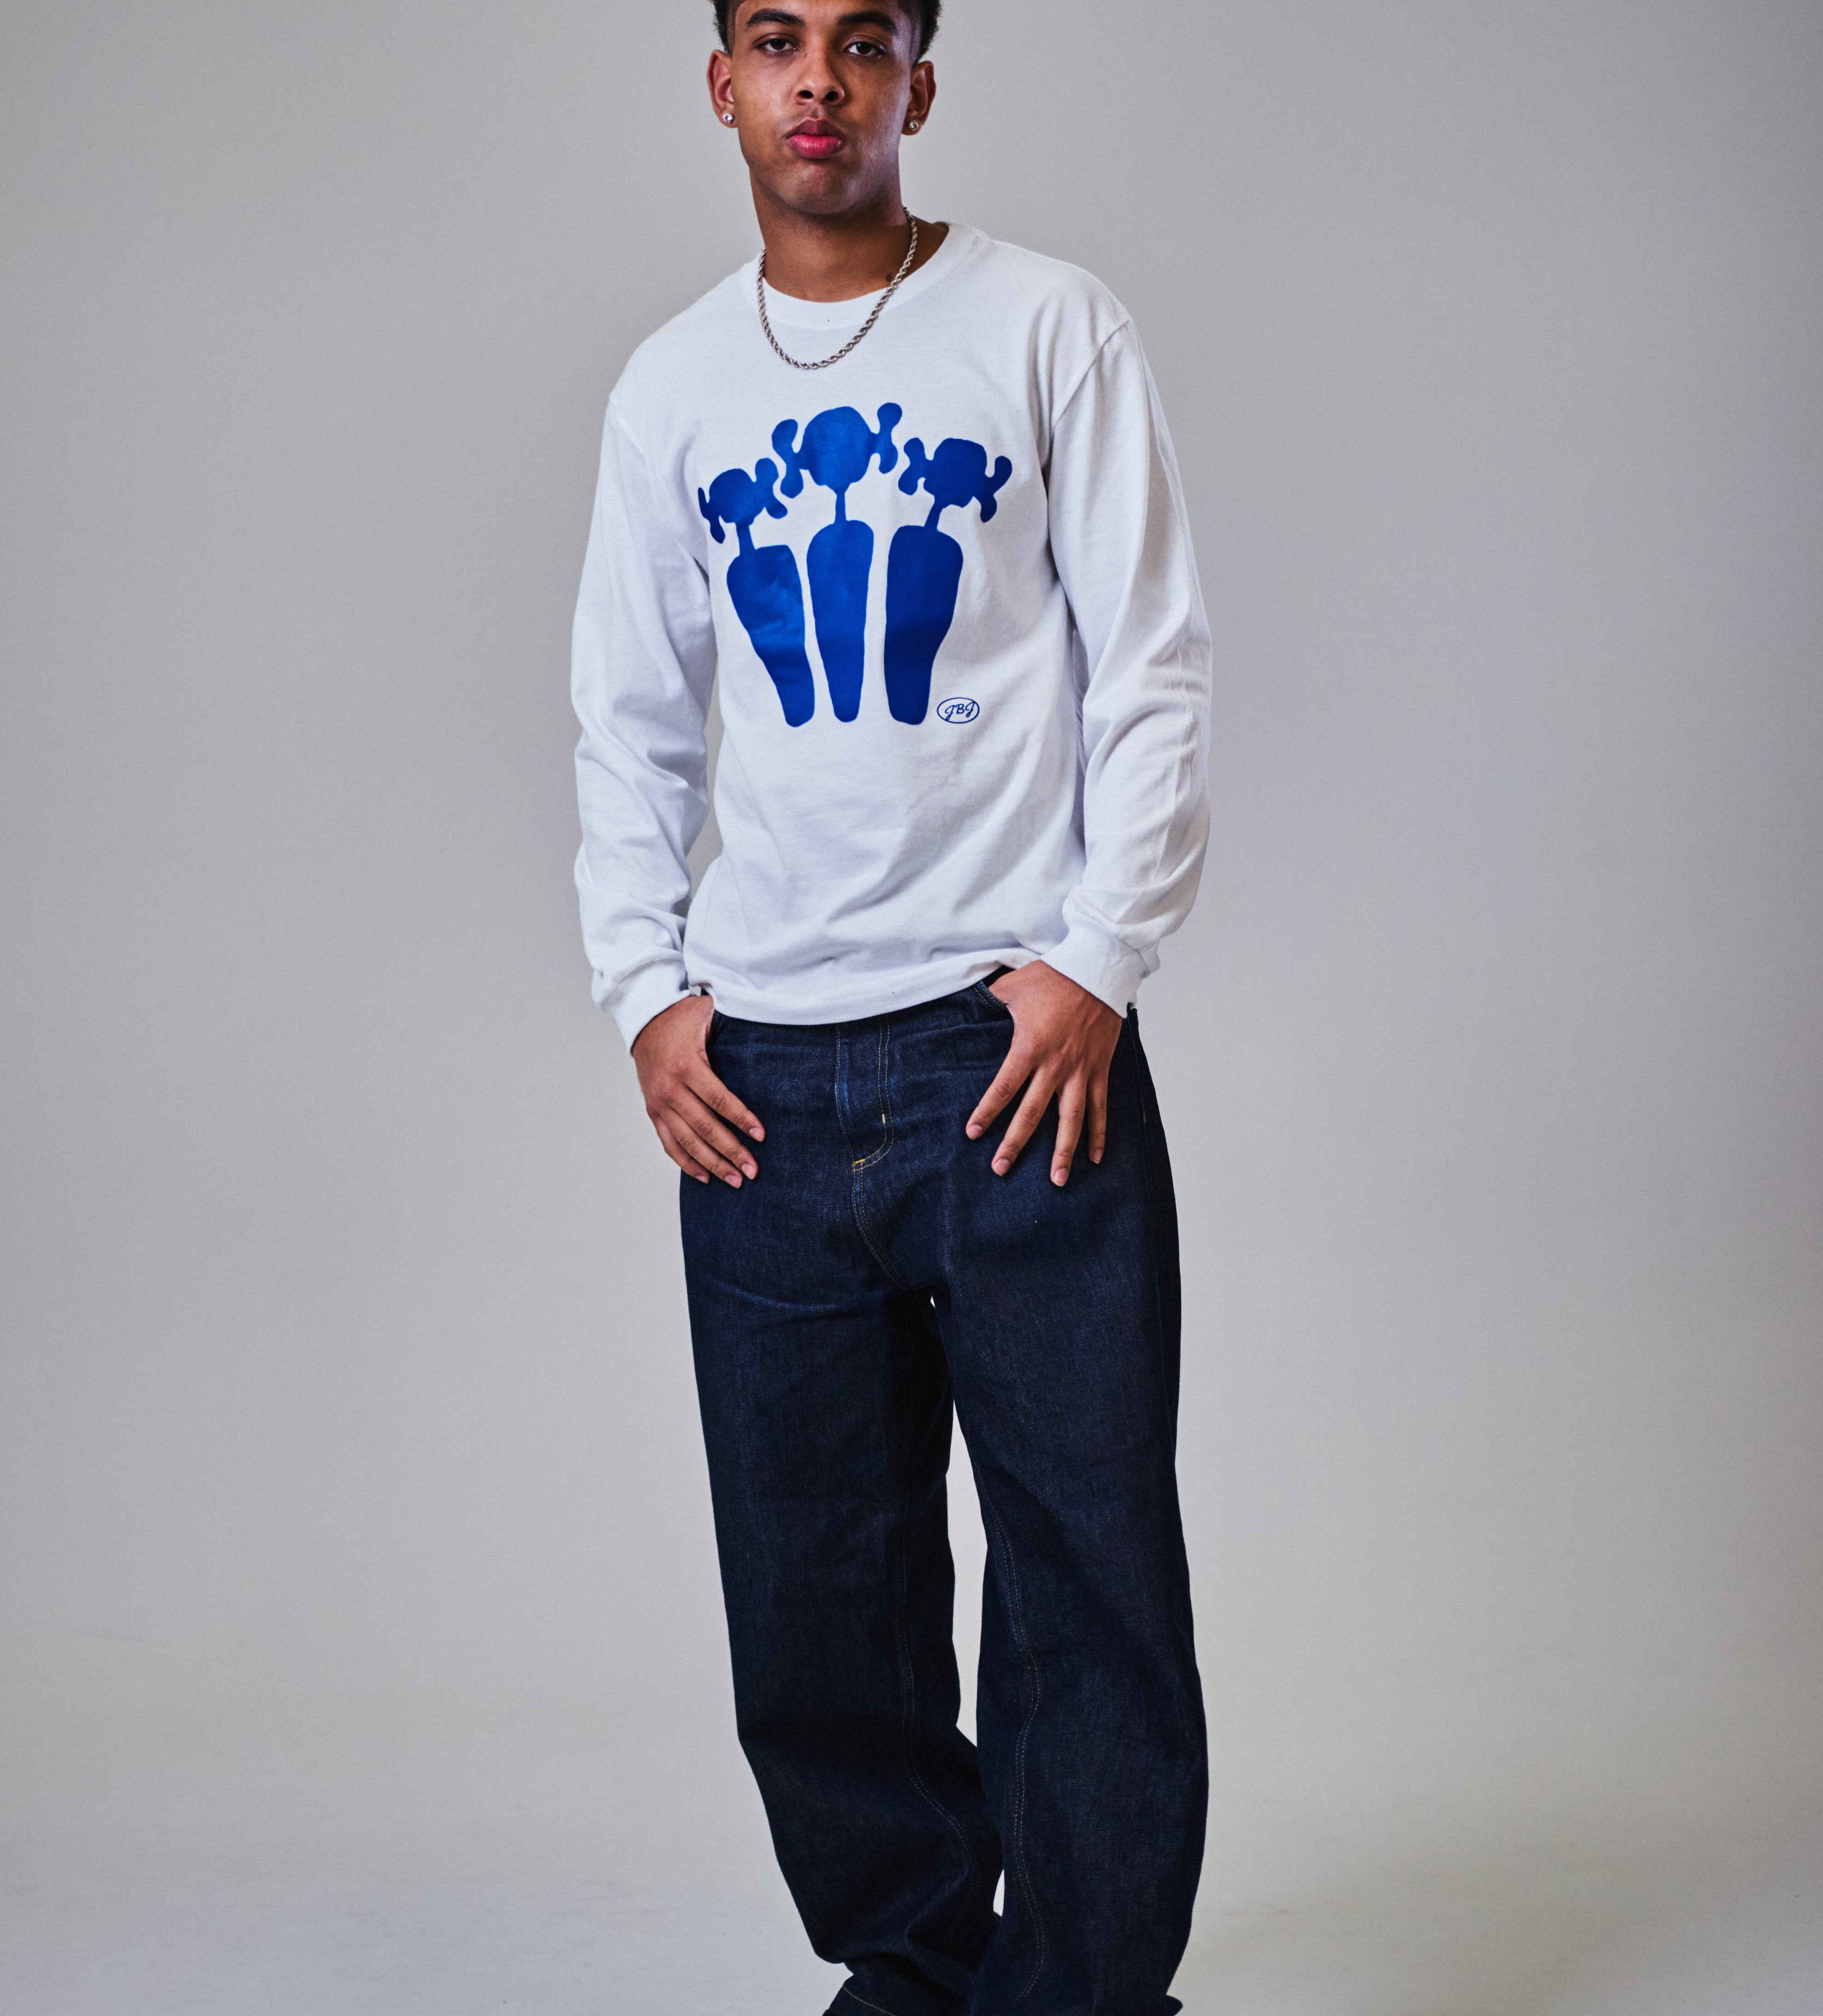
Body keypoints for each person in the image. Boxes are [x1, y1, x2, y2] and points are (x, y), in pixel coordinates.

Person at [571, 4, 1213, 2010]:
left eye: (864, 41)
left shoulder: (1048, 326)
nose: (820, 79)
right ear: (724, 84)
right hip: (760, 1081)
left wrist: (1097, 963)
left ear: (918, 83)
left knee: (1086, 1570)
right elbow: (627, 718)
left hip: (1013, 1057)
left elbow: (1155, 664)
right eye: (777, 39)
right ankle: (915, 1972)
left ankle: (1084, 1991)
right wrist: (648, 993)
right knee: (815, 1597)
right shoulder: (672, 386)